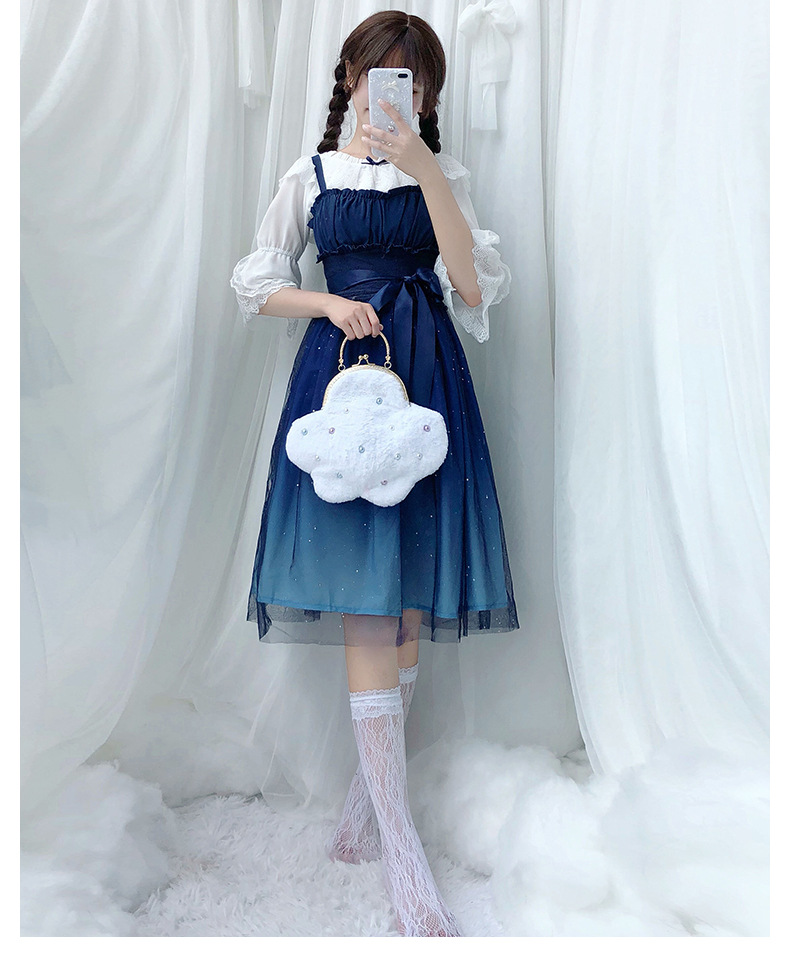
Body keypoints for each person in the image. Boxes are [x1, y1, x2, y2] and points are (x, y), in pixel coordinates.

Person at [230, 10, 519, 938]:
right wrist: (327, 302)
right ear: (350, 80)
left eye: (414, 80)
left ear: (426, 95)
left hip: (426, 383)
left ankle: (365, 816)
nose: (396, 92)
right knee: (364, 597)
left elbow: (472, 286)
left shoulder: (442, 176)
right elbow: (255, 282)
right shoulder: (311, 174)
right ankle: (402, 851)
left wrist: (426, 167)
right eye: (380, 75)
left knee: (405, 602)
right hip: (342, 384)